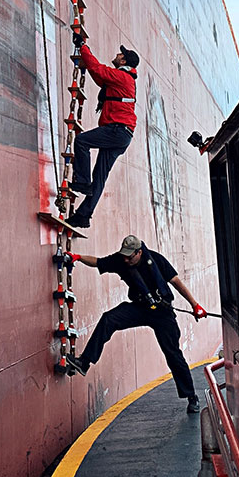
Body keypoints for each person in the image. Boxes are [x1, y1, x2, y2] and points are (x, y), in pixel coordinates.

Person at [65, 235, 208, 413]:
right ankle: (84, 362)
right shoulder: (121, 260)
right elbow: (98, 262)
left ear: (139, 252)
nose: (126, 259)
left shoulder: (156, 260)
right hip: (140, 308)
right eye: (124, 255)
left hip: (162, 313)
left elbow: (176, 282)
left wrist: (195, 305)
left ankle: (191, 396)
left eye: (130, 256)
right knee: (109, 319)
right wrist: (78, 257)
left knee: (173, 354)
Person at [66, 32, 138, 228]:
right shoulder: (124, 79)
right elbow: (100, 76)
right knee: (99, 178)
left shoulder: (122, 77)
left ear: (124, 60)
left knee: (82, 141)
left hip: (117, 130)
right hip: (122, 134)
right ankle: (83, 215)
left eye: (120, 54)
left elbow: (98, 70)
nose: (117, 54)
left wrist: (83, 46)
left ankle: (81, 181)